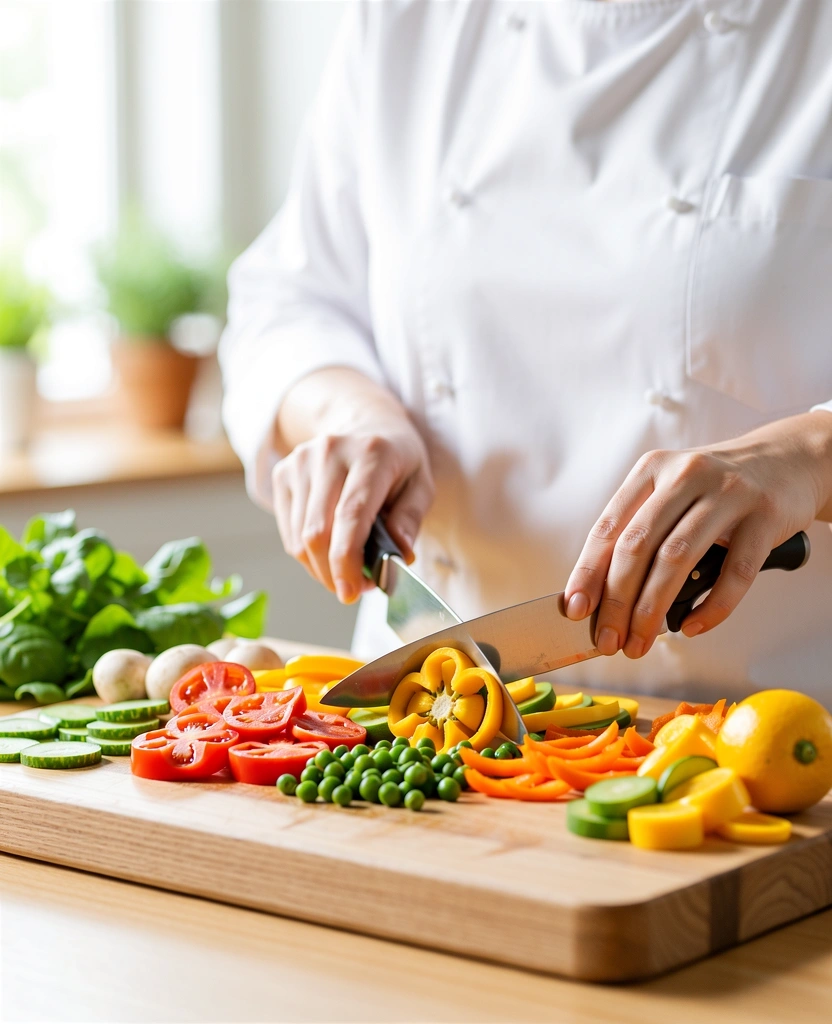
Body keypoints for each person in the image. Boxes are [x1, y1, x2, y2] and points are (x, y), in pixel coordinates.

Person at [220, 0, 832, 704]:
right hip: (433, 715)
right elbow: (289, 299)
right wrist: (350, 414)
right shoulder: (409, 19)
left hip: (771, 744)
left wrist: (811, 457)